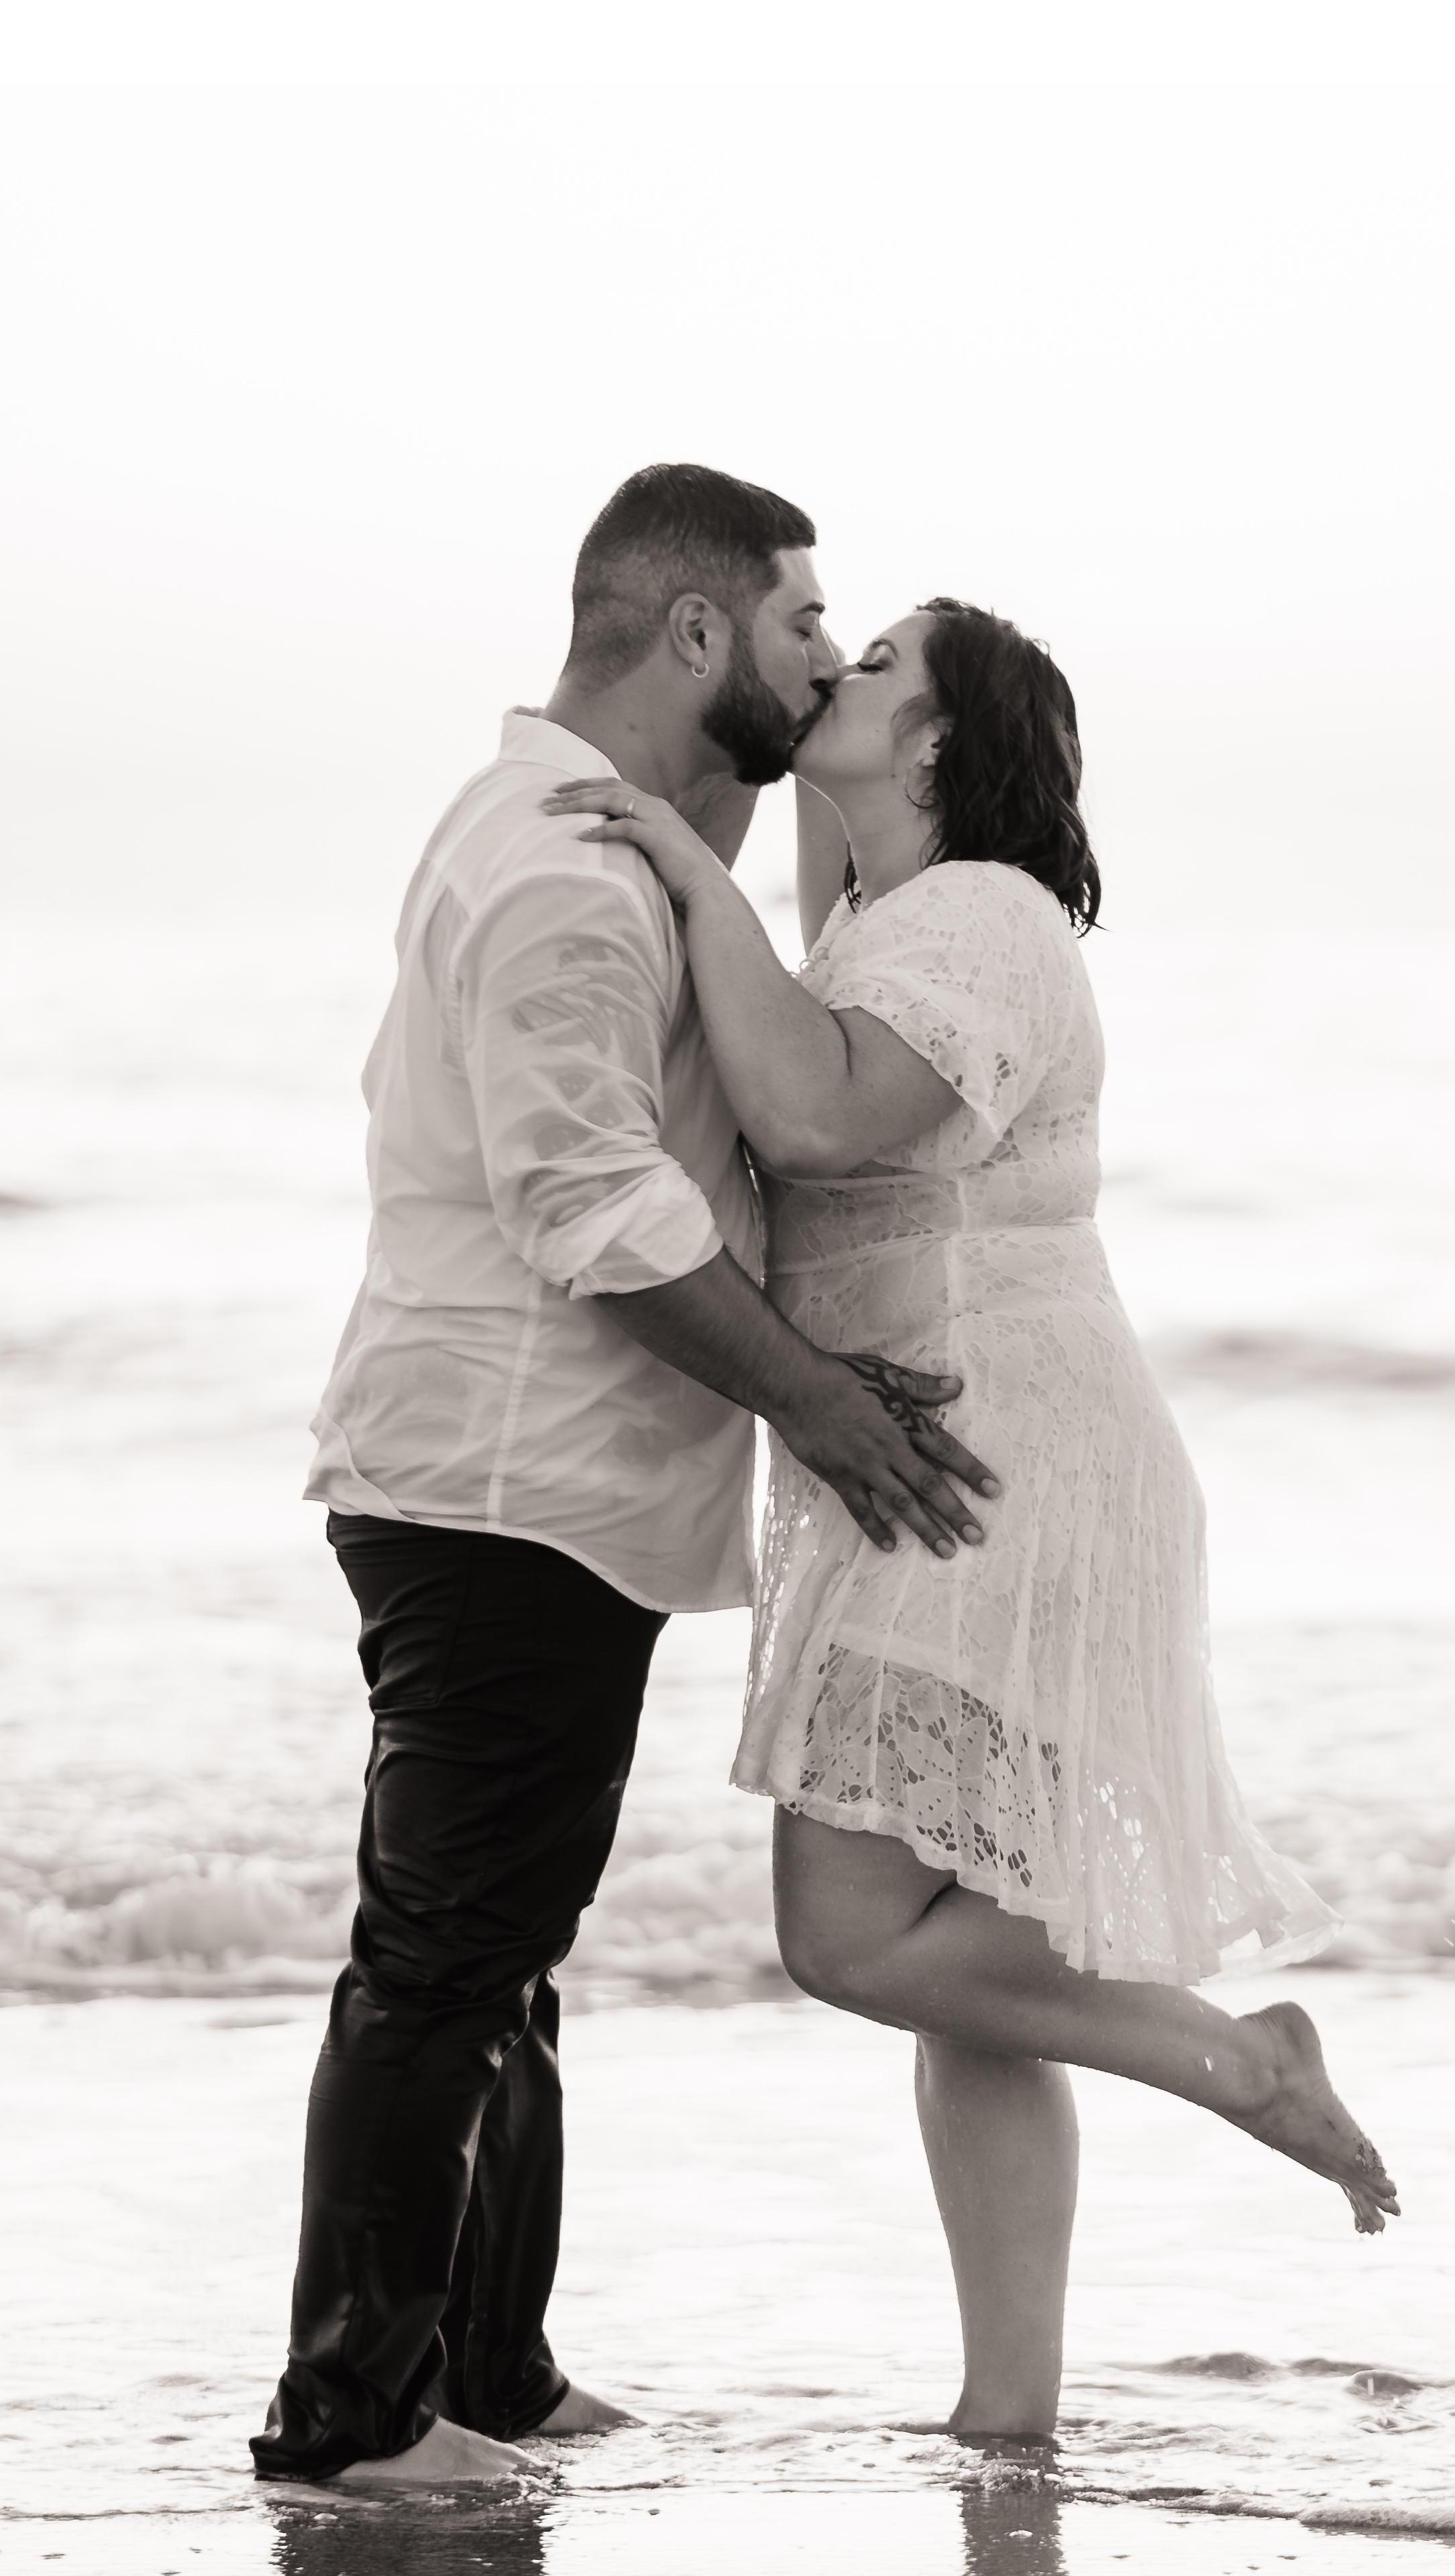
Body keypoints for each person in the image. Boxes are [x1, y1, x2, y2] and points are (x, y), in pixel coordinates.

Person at [553, 596, 1397, 2449]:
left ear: (940, 743)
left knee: (853, 1933)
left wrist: (683, 868)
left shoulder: (991, 921)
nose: (837, 674)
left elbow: (819, 1115)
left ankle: (1241, 2061)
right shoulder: (888, 913)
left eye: (876, 667)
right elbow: (810, 864)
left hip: (999, 1471)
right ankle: (1008, 2411)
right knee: (973, 1981)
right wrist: (762, 721)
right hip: (953, 1458)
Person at [250, 467, 999, 2491]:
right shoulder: (566, 873)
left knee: (509, 1946)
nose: (829, 658)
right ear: (692, 631)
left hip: (543, 1484)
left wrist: (782, 772)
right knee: (444, 1953)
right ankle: (350, 2416)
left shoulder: (621, 838)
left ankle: (489, 2371)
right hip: (497, 1481)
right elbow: (593, 1205)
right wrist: (820, 1404)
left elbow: (768, 944)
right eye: (803, 625)